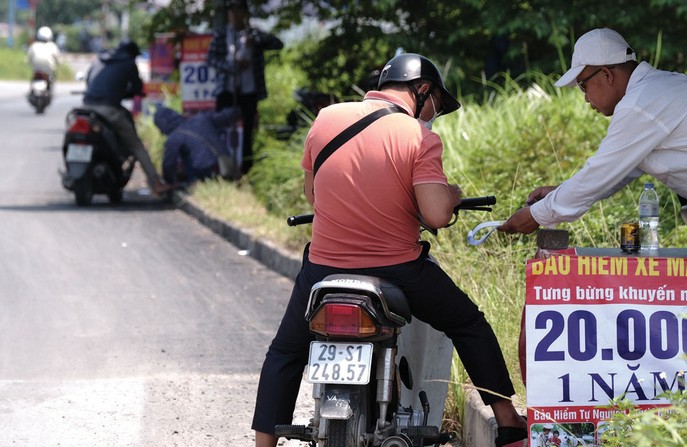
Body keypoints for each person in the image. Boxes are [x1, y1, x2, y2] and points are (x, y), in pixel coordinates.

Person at [251, 53, 528, 447]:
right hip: (398, 269)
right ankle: (509, 422)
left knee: (286, 351)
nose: (434, 115)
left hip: (324, 270)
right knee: (469, 324)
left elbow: (313, 195)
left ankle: (263, 444)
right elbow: (436, 215)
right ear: (422, 90)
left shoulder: (326, 119)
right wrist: (450, 196)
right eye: (436, 105)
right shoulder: (418, 136)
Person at [498, 28, 687, 344]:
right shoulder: (659, 88)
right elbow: (617, 172)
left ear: (606, 74)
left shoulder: (640, 103)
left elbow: (600, 171)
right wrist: (559, 192)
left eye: (583, 85)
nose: (585, 97)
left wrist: (536, 215)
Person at [83, 40, 171, 195]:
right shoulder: (129, 63)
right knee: (136, 145)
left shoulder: (100, 59)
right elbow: (137, 88)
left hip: (86, 107)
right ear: (132, 54)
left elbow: (89, 81)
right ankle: (155, 183)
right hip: (109, 109)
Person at [206, 0, 283, 176]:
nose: (235, 15)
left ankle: (245, 171)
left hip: (248, 91)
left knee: (247, 131)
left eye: (239, 11)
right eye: (232, 11)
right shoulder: (221, 34)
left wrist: (254, 39)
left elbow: (277, 44)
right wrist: (232, 66)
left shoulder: (253, 35)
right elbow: (211, 59)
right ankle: (223, 169)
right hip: (226, 91)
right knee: (222, 129)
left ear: (245, 14)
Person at [153, 105, 241, 186]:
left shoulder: (174, 137)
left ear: (162, 126)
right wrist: (239, 109)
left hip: (205, 172)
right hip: (226, 163)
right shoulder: (201, 118)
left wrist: (168, 181)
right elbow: (226, 116)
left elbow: (169, 165)